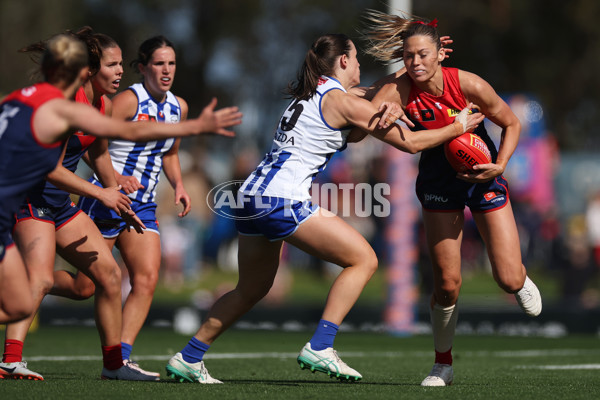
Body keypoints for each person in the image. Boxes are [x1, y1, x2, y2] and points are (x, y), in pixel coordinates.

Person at [163, 33, 483, 384]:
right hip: (280, 199)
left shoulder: (315, 95)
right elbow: (412, 144)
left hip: (251, 197)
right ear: (343, 61)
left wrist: (413, 67)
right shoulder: (342, 101)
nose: (360, 64)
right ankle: (321, 345)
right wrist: (458, 126)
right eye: (357, 57)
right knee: (364, 260)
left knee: (250, 289)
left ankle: (189, 357)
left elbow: (371, 95)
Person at [0, 33, 241, 381]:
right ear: (87, 71)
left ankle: (114, 364)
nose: (118, 72)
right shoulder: (61, 105)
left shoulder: (99, 103)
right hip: (30, 198)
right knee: (31, 289)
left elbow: (101, 148)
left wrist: (116, 190)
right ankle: (10, 360)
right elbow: (51, 167)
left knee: (110, 278)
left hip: (60, 202)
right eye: (112, 65)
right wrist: (103, 194)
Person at [362, 10, 543, 387]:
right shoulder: (399, 89)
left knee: (508, 280)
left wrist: (500, 165)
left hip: (483, 172)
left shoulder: (469, 84)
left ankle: (520, 279)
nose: (416, 62)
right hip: (437, 179)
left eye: (423, 55)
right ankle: (442, 363)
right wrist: (387, 106)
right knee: (447, 283)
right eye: (409, 56)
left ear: (441, 53)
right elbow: (365, 108)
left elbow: (511, 122)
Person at [52, 35, 211, 377]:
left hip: (144, 205)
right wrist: (116, 178)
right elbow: (97, 144)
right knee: (86, 287)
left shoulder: (178, 107)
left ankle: (120, 359)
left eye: (171, 63)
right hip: (108, 199)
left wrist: (179, 185)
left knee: (147, 278)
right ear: (143, 68)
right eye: (158, 63)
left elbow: (170, 152)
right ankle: (32, 283)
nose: (166, 70)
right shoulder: (125, 100)